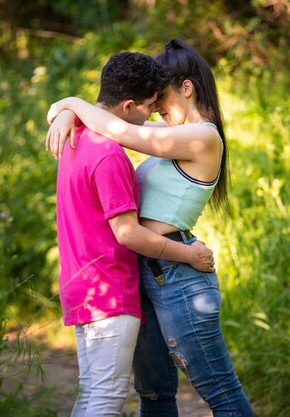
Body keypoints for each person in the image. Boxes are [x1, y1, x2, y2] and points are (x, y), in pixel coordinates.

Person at [46, 39, 254, 417]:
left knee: (220, 391)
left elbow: (126, 133)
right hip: (143, 272)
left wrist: (71, 104)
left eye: (161, 97)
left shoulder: (204, 136)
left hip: (177, 274)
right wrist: (67, 114)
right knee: (155, 393)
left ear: (187, 87)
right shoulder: (174, 140)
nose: (155, 107)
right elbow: (111, 126)